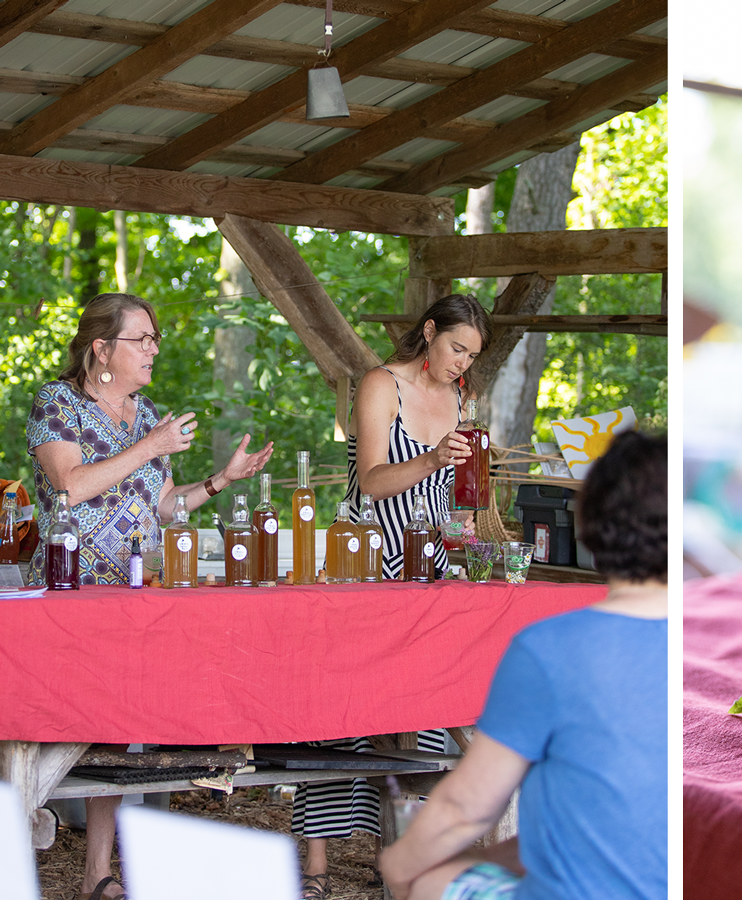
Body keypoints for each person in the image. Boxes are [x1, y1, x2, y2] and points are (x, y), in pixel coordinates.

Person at [26, 292, 273, 900]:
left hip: (134, 593)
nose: (154, 348)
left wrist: (220, 480)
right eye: (143, 338)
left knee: (121, 728)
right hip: (68, 594)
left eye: (156, 338)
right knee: (48, 734)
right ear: (102, 348)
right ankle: (24, 844)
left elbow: (164, 507)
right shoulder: (59, 405)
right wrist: (150, 448)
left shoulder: (146, 414)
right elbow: (72, 487)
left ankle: (98, 875)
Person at [380, 430, 668, 900]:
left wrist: (396, 864)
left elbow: (464, 809)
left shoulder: (551, 648)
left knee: (429, 881)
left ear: (588, 523)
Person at [293, 294, 492, 899]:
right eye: (456, 347)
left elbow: (447, 493)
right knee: (337, 710)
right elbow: (376, 481)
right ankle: (317, 867)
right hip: (365, 559)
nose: (462, 363)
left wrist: (467, 512)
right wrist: (434, 456)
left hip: (428, 564)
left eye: (472, 355)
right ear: (428, 331)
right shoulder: (380, 385)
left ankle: (399, 855)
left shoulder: (463, 398)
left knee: (419, 707)